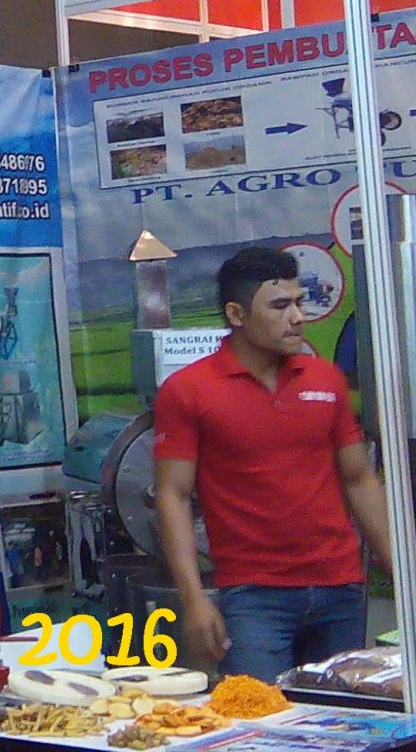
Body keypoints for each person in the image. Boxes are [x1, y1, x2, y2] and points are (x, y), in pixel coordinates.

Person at [151, 245, 402, 682]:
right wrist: (193, 599)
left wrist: (402, 580)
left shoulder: (325, 379)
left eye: (300, 303)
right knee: (260, 715)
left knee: (342, 717)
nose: (297, 317)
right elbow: (172, 496)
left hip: (340, 588)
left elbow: (360, 478)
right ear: (236, 314)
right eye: (280, 306)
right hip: (254, 596)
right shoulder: (188, 389)